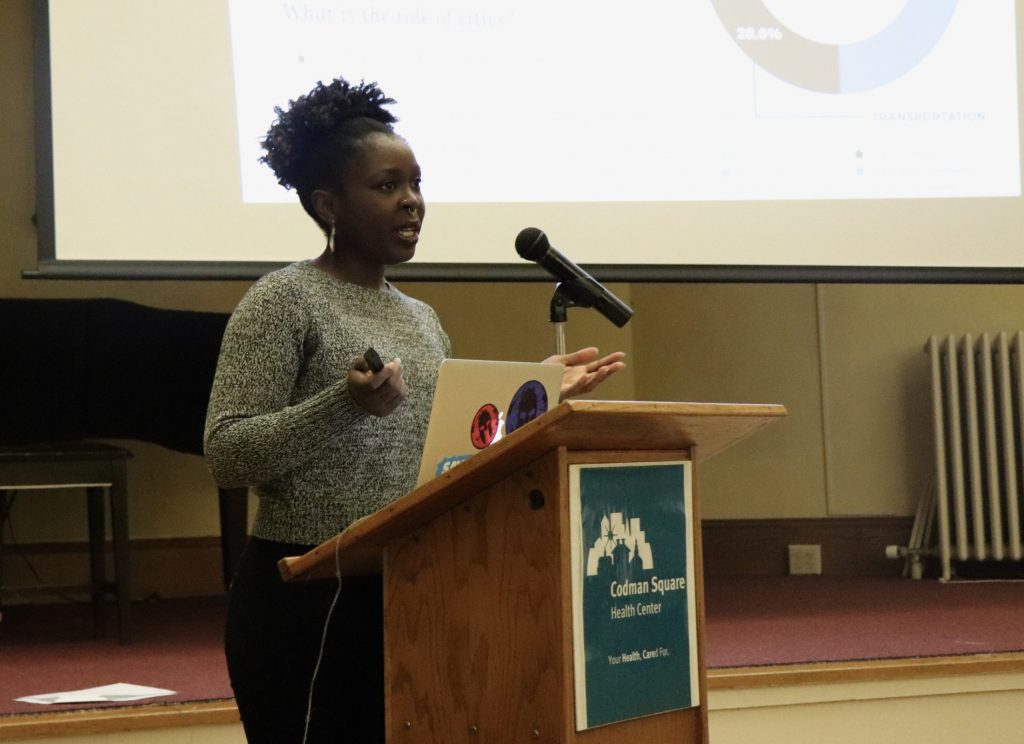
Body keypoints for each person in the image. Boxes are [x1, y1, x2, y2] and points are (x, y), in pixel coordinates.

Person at [203, 77, 625, 743]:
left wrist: (531, 393)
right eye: (387, 186)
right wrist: (345, 404)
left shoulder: (421, 319)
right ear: (328, 203)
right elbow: (227, 452)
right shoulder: (284, 300)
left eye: (417, 184)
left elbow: (446, 449)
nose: (412, 204)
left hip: (414, 585)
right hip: (308, 598)